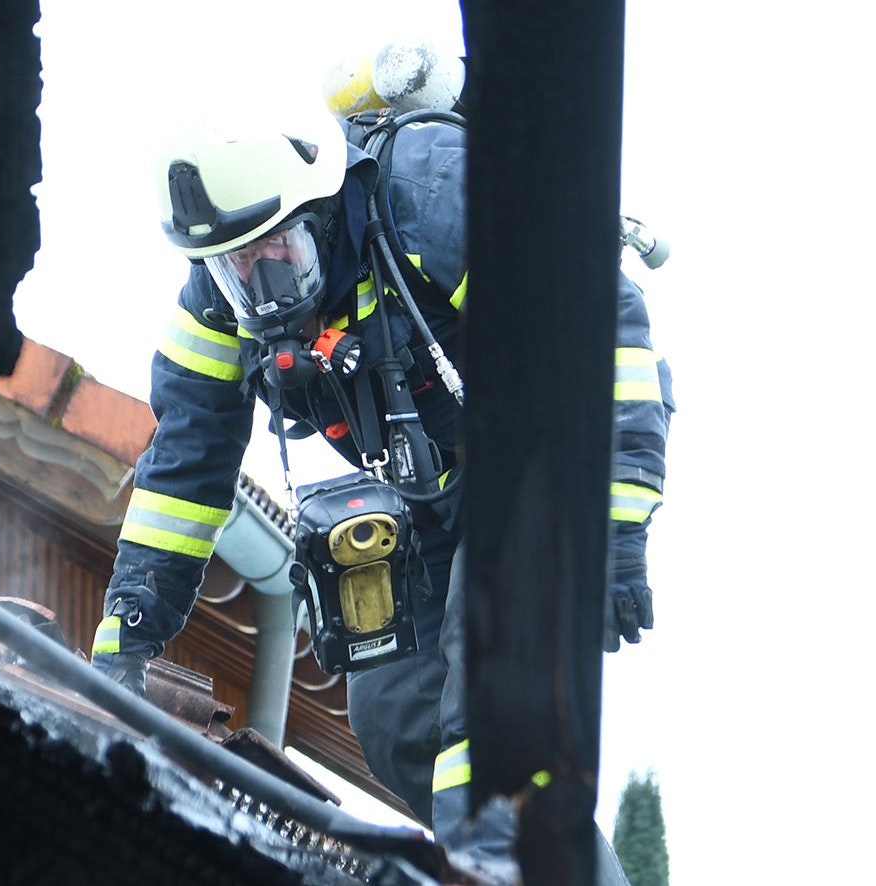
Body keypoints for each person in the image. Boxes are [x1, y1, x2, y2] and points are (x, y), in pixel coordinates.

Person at [88, 94, 673, 877]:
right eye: (235, 269)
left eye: (278, 255)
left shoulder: (432, 197)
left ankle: (491, 867)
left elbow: (604, 325)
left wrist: (618, 522)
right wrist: (127, 633)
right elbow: (181, 474)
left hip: (549, 463)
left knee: (490, 695)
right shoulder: (215, 304)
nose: (262, 292)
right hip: (432, 492)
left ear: (325, 211)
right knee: (391, 711)